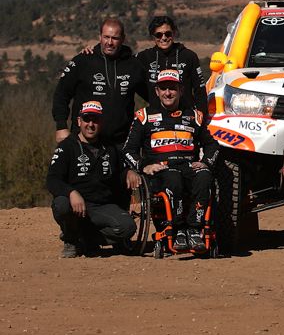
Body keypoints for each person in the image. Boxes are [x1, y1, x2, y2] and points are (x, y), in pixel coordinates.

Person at [124, 69, 220, 254]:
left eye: (172, 88)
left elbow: (213, 146)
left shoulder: (195, 116)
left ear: (180, 90)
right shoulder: (143, 116)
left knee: (205, 176)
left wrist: (207, 162)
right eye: (164, 88)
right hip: (161, 171)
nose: (168, 93)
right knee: (173, 177)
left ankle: (194, 229)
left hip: (189, 168)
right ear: (157, 91)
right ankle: (178, 229)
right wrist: (144, 166)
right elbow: (128, 150)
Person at [47, 101, 141, 257]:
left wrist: (129, 172)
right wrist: (71, 193)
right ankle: (71, 239)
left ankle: (87, 239)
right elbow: (52, 180)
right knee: (61, 205)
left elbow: (119, 172)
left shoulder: (110, 147)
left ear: (101, 122)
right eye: (86, 119)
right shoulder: (66, 147)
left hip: (102, 206)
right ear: (79, 121)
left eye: (95, 120)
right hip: (75, 206)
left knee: (127, 228)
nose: (91, 124)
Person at [51, 17, 140, 147]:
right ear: (100, 37)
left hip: (120, 143)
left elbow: (153, 94)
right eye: (106, 37)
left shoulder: (132, 65)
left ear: (123, 39)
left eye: (114, 38)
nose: (109, 42)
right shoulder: (82, 61)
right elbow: (61, 94)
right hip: (84, 141)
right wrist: (61, 126)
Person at [134, 15, 207, 111]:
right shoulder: (144, 57)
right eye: (158, 35)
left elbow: (200, 90)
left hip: (185, 115)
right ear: (153, 37)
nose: (163, 38)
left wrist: (202, 117)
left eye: (167, 34)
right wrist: (151, 98)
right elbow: (134, 82)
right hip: (156, 117)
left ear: (174, 33)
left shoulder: (189, 56)